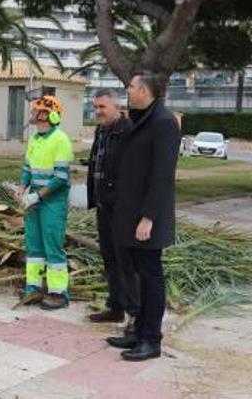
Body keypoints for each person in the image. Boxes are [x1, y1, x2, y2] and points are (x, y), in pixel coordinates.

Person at [106, 73, 180, 362]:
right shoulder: (141, 119)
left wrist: (148, 217)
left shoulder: (163, 123)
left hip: (148, 218)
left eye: (132, 86)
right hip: (131, 214)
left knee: (150, 277)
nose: (128, 90)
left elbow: (162, 176)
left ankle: (152, 339)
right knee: (136, 275)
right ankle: (138, 331)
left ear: (146, 91)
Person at [86, 89, 139, 328]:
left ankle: (134, 314)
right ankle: (115, 307)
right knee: (109, 258)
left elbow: (133, 173)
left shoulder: (127, 131)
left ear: (117, 107)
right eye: (96, 107)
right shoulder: (102, 131)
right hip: (103, 205)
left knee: (126, 262)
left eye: (102, 107)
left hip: (121, 209)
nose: (97, 111)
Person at [19, 95, 74, 310]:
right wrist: (23, 187)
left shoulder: (61, 140)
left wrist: (37, 195)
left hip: (53, 202)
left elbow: (60, 178)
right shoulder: (34, 138)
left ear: (51, 115)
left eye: (38, 111)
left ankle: (58, 293)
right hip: (34, 198)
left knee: (52, 247)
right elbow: (27, 168)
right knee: (34, 245)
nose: (33, 115)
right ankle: (33, 287)